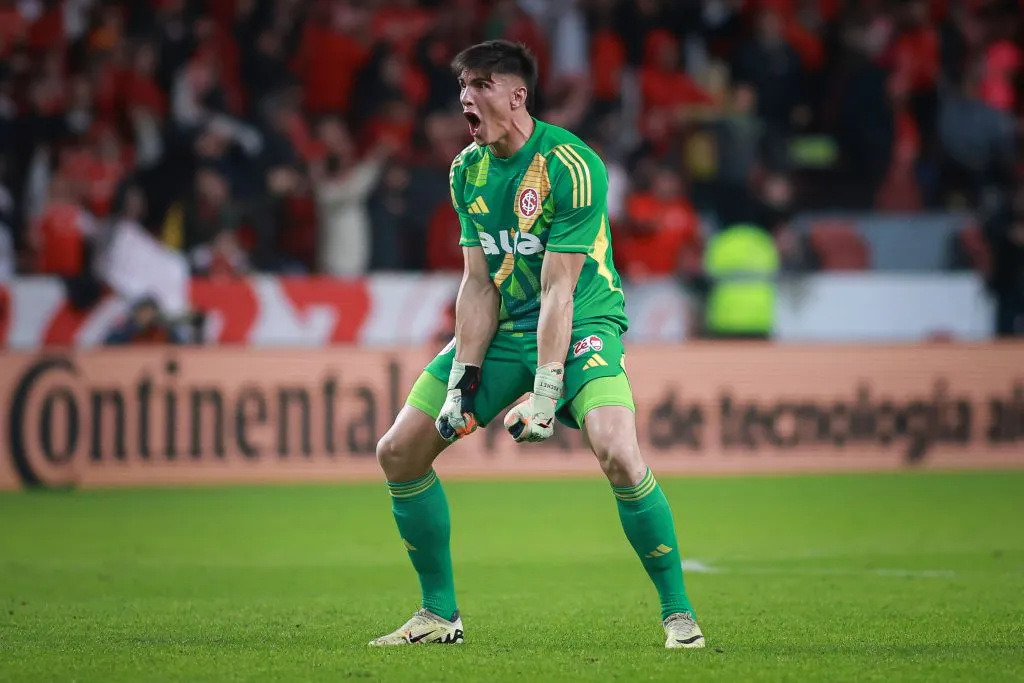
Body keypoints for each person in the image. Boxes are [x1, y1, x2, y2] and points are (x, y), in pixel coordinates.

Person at [370, 40, 704, 650]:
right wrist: (464, 380)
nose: (465, 96)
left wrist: (547, 390)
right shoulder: (464, 170)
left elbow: (558, 289)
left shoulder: (572, 164)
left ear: (516, 95)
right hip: (503, 334)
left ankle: (678, 614)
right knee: (398, 453)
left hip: (581, 326)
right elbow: (477, 284)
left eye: (479, 84)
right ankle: (438, 614)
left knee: (619, 453)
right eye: (462, 85)